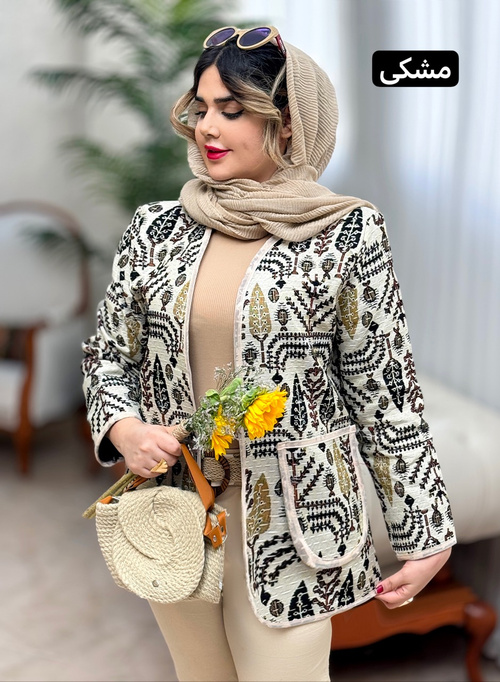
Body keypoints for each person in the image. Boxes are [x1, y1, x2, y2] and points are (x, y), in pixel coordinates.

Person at [82, 25, 456, 682]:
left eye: (233, 110)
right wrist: (124, 427)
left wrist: (425, 533)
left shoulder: (346, 233)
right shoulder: (156, 228)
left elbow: (385, 391)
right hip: (177, 512)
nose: (207, 127)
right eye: (202, 108)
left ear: (287, 124)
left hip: (297, 525)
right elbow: (107, 355)